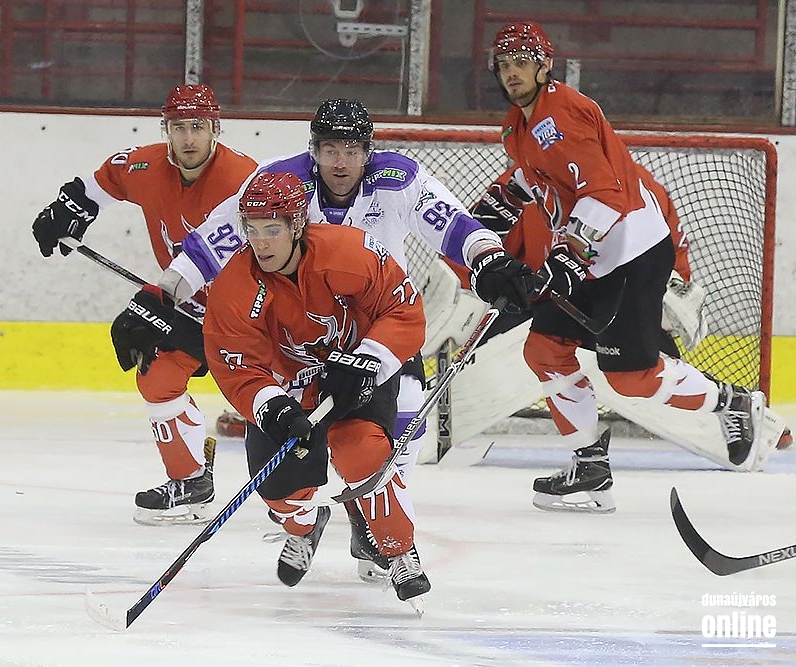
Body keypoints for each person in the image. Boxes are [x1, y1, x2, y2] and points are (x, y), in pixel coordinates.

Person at [147, 98, 502, 579]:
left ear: (368, 152)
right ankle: (304, 520)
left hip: (374, 331)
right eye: (330, 149)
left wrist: (488, 256)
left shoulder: (398, 179)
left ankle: (374, 528)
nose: (340, 162)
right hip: (298, 347)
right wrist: (162, 296)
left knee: (398, 423)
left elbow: (451, 223)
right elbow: (216, 240)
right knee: (282, 465)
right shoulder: (279, 183)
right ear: (313, 150)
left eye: (351, 150)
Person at [468, 21, 769, 513]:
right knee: (544, 350)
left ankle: (734, 402)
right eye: (504, 64)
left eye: (522, 62)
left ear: (545, 66)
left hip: (632, 253)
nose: (512, 72)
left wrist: (567, 252)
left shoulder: (563, 113)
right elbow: (536, 173)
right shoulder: (517, 124)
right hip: (594, 258)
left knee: (633, 379)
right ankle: (589, 465)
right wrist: (500, 202)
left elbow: (606, 192)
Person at [202, 171, 430, 611]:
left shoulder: (349, 253)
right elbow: (237, 363)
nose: (261, 242)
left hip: (354, 377)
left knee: (363, 453)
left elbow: (402, 307)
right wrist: (272, 407)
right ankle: (305, 527)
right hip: (287, 390)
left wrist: (369, 359)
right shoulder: (234, 287)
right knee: (278, 491)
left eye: (272, 229)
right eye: (252, 229)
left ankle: (398, 550)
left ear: (296, 225)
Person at [31, 83, 257, 525]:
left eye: (198, 127)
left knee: (285, 400)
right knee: (156, 374)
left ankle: (340, 482)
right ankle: (190, 482)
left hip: (250, 309)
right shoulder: (144, 165)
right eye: (178, 127)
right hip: (185, 298)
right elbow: (104, 180)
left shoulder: (242, 178)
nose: (188, 138)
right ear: (165, 129)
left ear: (215, 129)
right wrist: (70, 208)